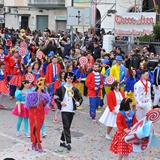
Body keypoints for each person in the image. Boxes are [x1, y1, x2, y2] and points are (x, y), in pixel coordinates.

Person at [54, 72, 83, 151]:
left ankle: (62, 141)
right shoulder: (60, 88)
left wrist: (78, 103)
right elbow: (56, 98)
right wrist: (60, 102)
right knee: (66, 125)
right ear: (65, 79)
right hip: (64, 110)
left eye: (71, 78)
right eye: (68, 78)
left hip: (71, 110)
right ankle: (68, 143)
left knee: (67, 126)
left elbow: (80, 97)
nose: (69, 80)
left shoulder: (75, 89)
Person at [25, 77, 50, 152]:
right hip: (33, 112)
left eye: (43, 84)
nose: (42, 85)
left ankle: (34, 143)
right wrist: (36, 97)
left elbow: (46, 104)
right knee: (35, 127)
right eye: (41, 84)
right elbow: (28, 104)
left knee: (38, 128)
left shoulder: (45, 94)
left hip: (41, 112)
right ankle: (38, 143)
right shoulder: (31, 94)